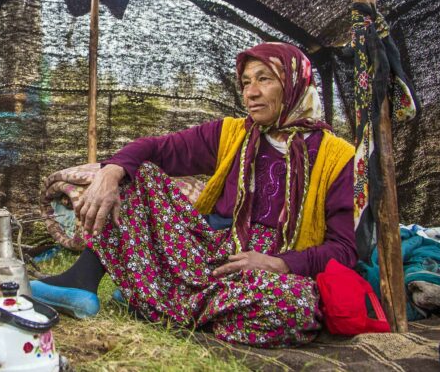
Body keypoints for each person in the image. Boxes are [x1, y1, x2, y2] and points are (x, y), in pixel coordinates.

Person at [30, 42, 356, 347]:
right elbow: (156, 147)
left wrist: (279, 263)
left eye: (264, 79)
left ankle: (155, 299)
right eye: (245, 82)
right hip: (207, 253)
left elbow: (344, 249)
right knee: (135, 172)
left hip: (267, 270)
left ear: (295, 83)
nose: (251, 93)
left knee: (297, 307)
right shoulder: (231, 134)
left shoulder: (335, 156)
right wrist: (111, 172)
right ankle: (81, 282)